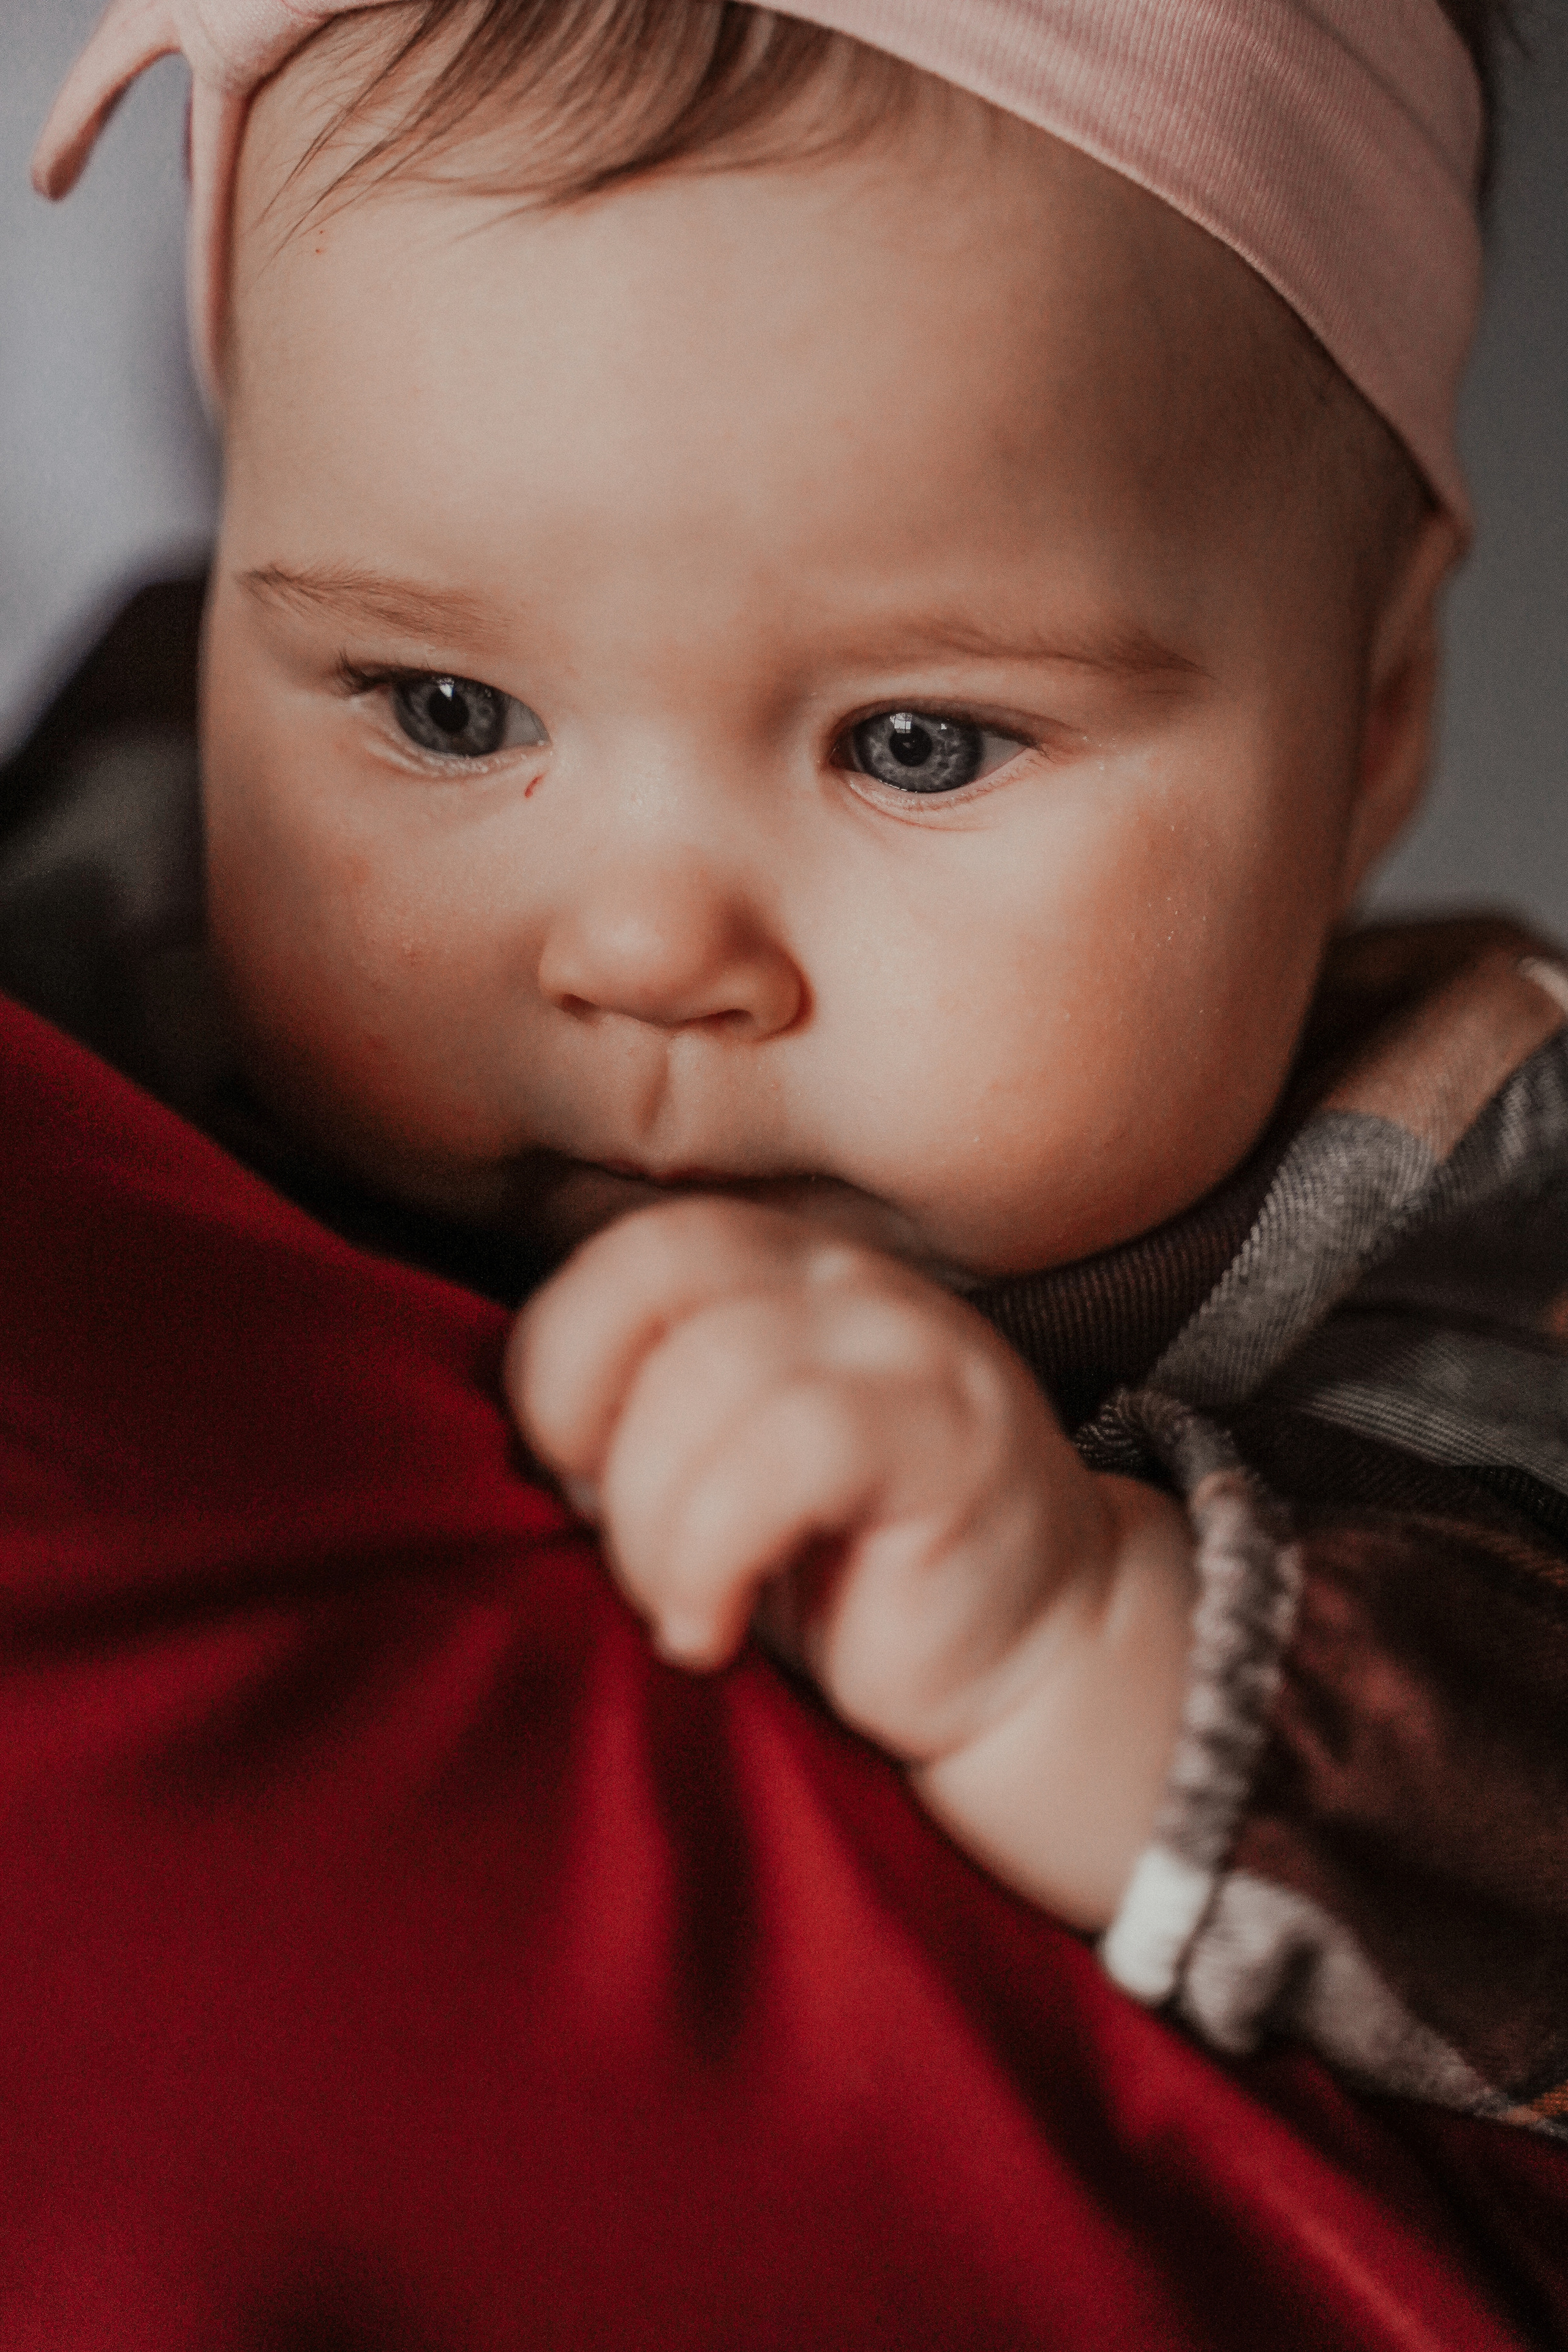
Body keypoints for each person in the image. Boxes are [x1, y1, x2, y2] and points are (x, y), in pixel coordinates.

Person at [29, 0, 1568, 2155]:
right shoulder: (117, 899)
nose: (648, 951)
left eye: (916, 741)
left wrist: (1086, 1640)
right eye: (450, 711)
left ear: (1376, 714)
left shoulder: (1458, 1227)